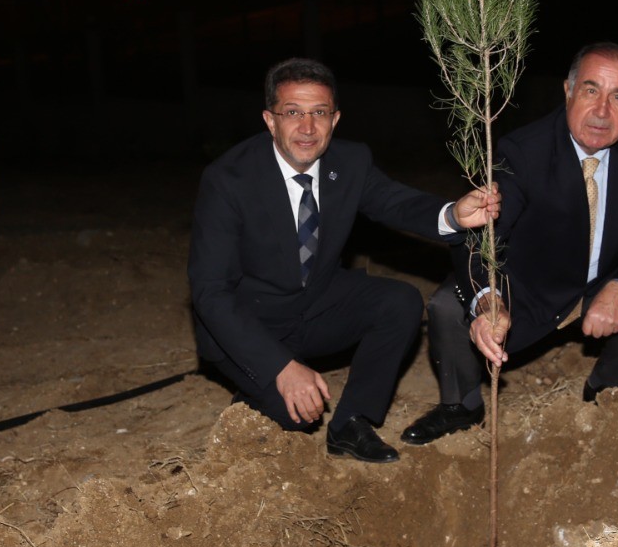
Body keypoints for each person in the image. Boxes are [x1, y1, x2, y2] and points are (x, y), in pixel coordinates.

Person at [189, 57, 499, 464]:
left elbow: (397, 203)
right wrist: (280, 368)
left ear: (335, 120)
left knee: (400, 301)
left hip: (315, 305)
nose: (307, 127)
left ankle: (352, 423)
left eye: (319, 113)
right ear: (269, 120)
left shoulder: (350, 162)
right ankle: (254, 389)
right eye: (293, 113)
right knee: (296, 415)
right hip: (250, 322)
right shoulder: (228, 180)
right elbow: (211, 294)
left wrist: (453, 215)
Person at [402, 42, 618, 445]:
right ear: (567, 90)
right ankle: (460, 407)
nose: (602, 111)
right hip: (529, 287)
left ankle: (606, 397)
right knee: (448, 305)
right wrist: (489, 301)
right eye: (591, 90)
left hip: (602, 281)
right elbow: (483, 238)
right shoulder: (523, 151)